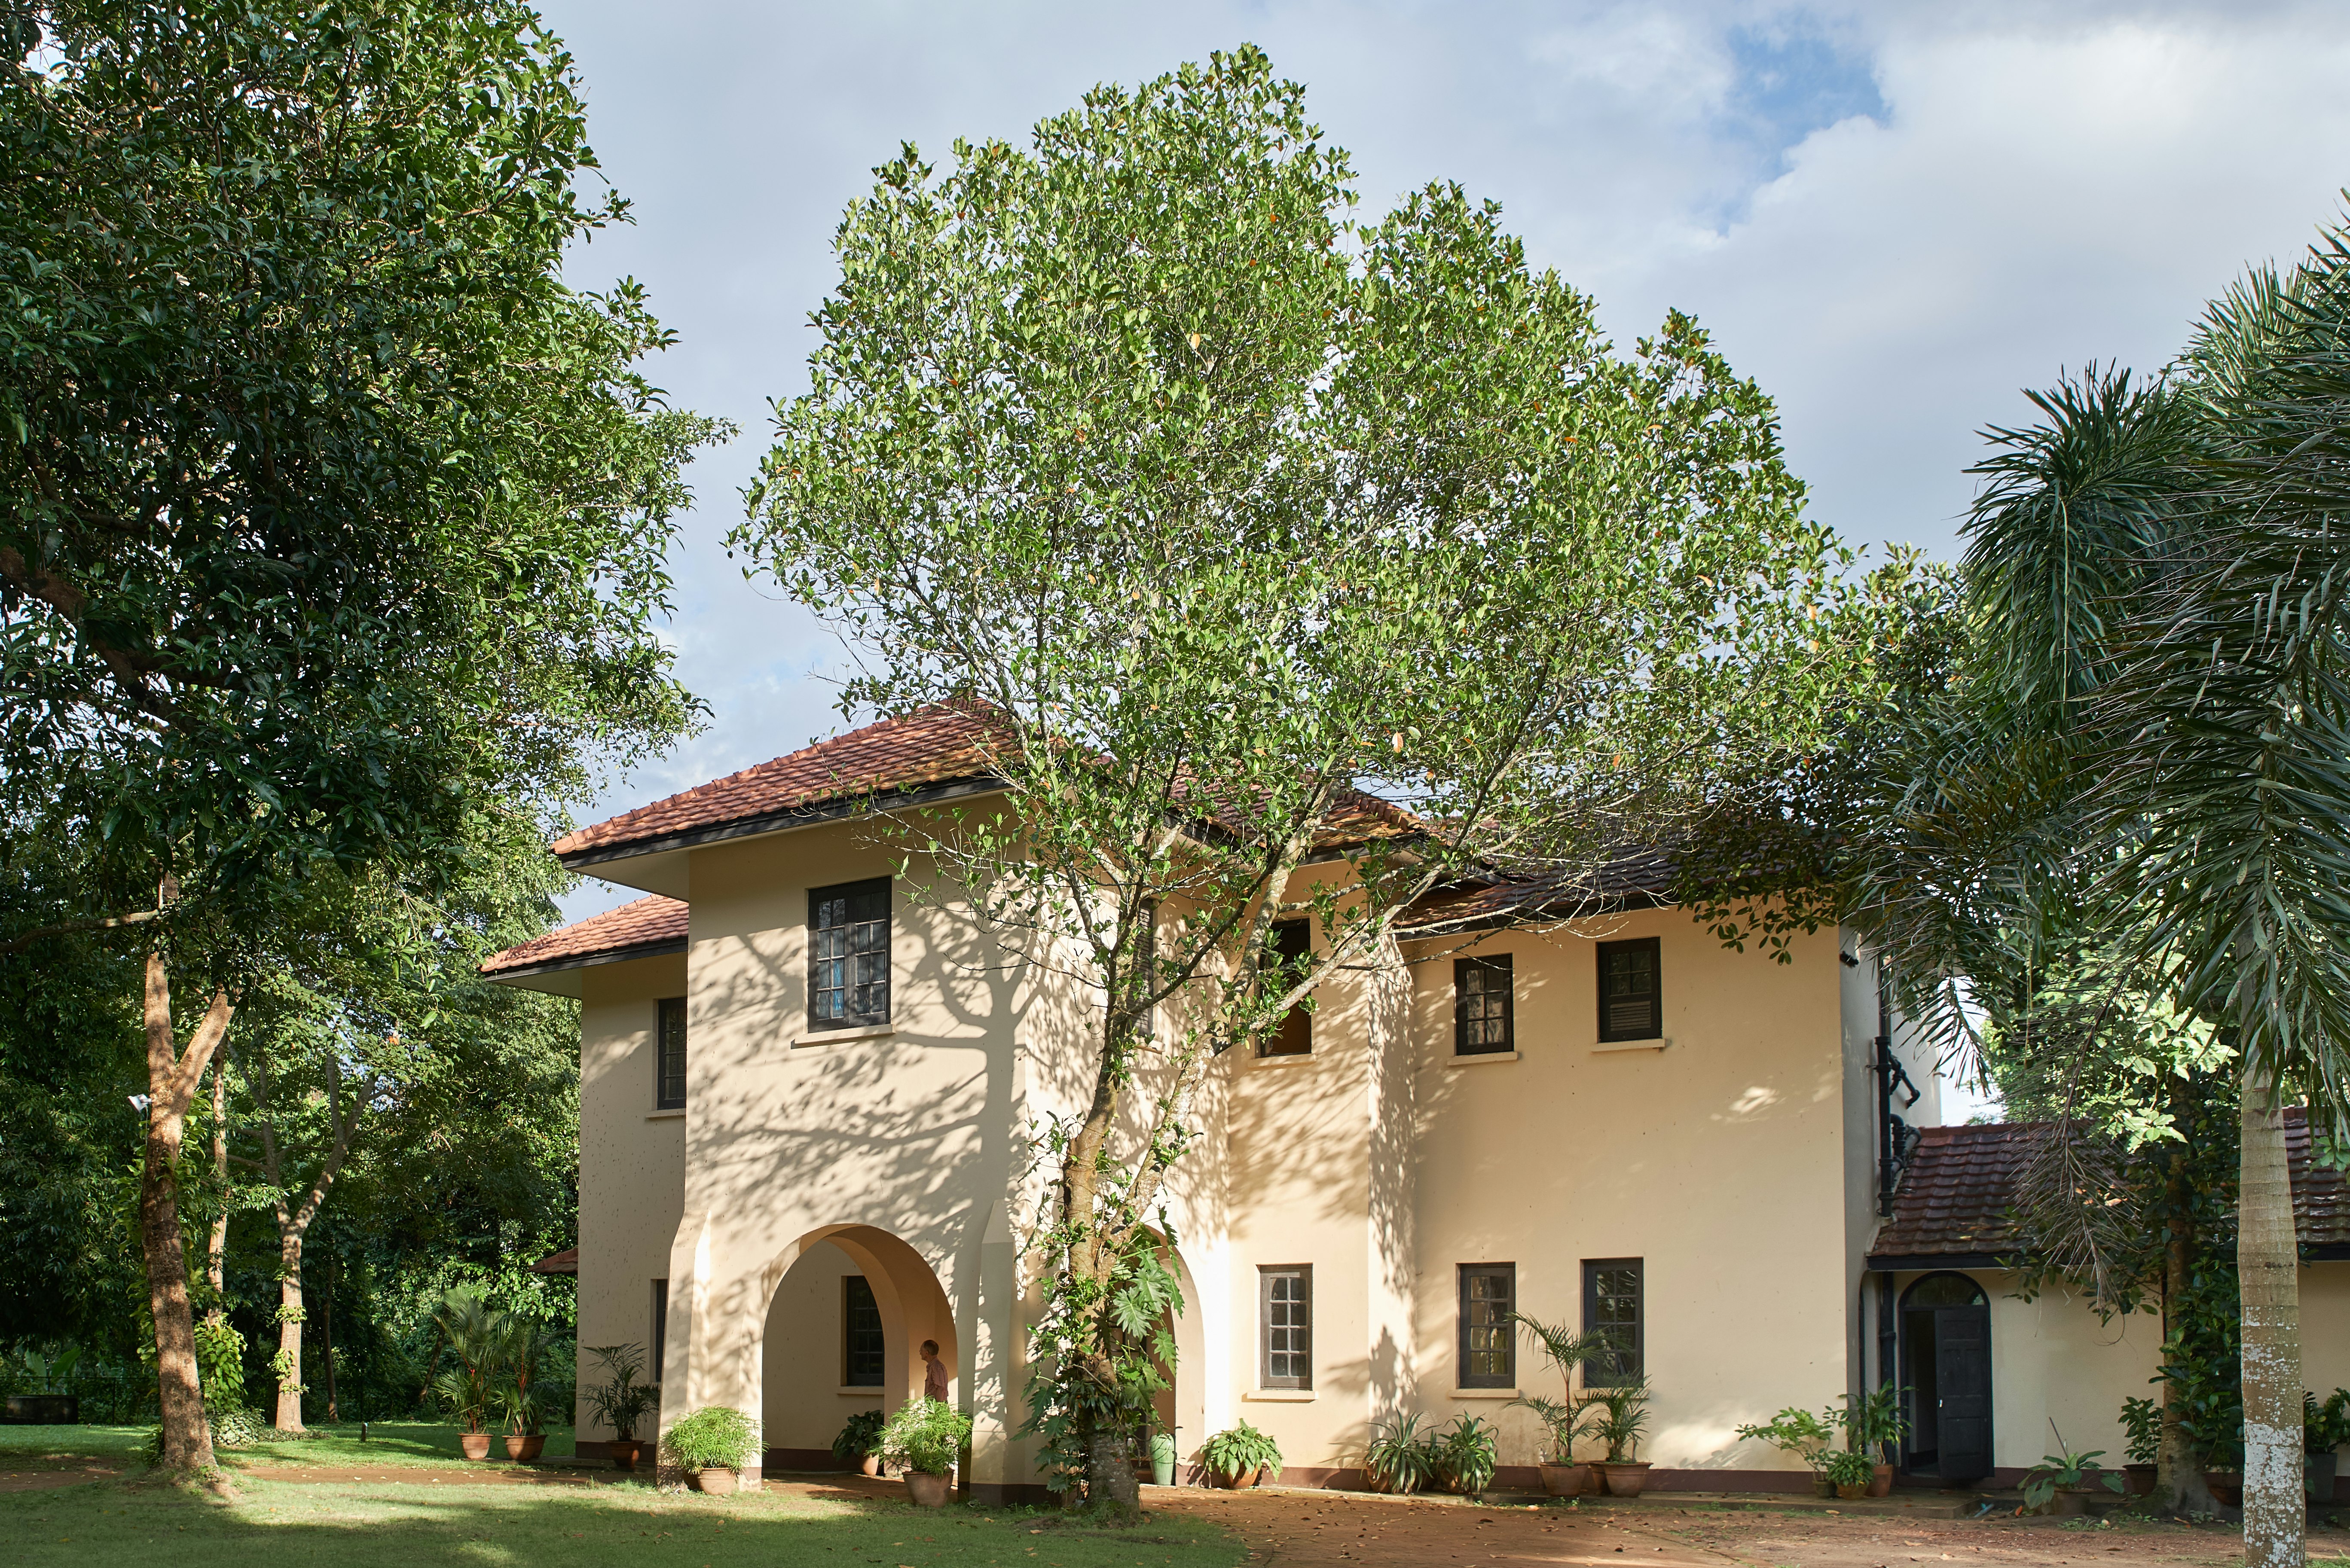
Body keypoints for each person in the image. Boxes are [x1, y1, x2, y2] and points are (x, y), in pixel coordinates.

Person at [921, 1339, 949, 1403]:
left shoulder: (936, 1367)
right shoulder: (933, 1366)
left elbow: (941, 1389)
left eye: (922, 1350)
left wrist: (937, 1410)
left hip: (937, 1408)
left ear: (927, 1353)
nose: (920, 1352)